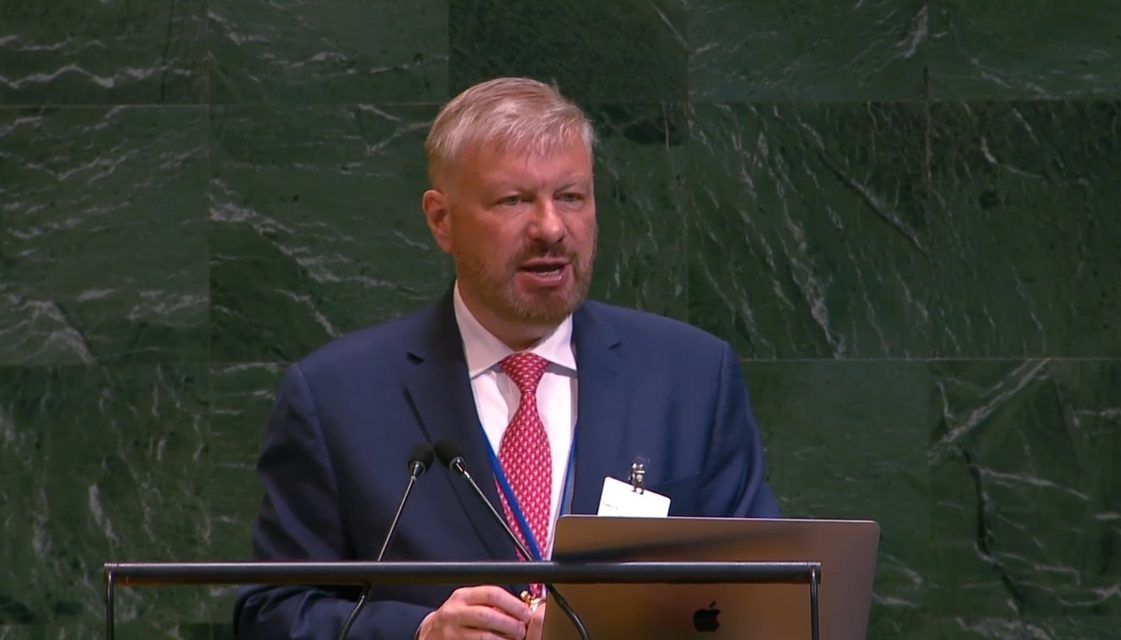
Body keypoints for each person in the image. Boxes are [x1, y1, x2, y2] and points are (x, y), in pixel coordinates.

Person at [234, 77, 780, 640]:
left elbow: (764, 598)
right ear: (440, 220)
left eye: (571, 197)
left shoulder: (690, 378)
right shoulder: (336, 397)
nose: (550, 228)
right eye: (513, 201)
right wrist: (419, 634)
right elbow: (273, 613)